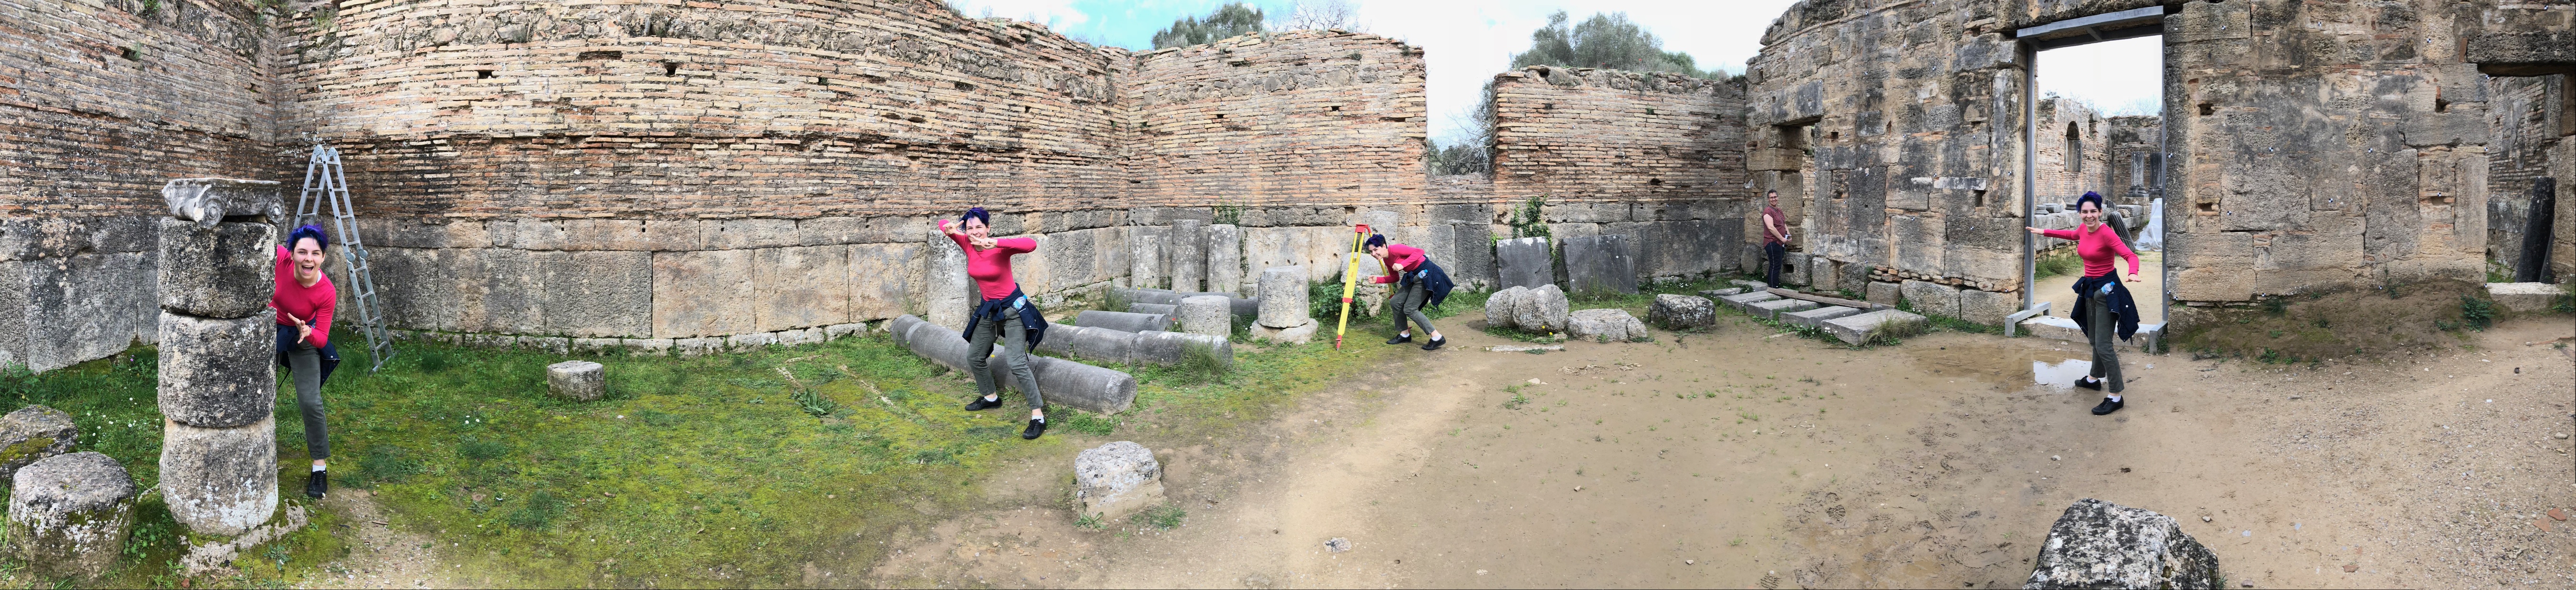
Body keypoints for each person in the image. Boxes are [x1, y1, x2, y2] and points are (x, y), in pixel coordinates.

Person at [938, 208, 1051, 440]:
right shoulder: (968, 244)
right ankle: (991, 397)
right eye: (970, 228)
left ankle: (1038, 415)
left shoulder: (999, 246)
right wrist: (950, 229)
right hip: (989, 310)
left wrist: (996, 242)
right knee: (974, 356)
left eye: (979, 227)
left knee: (1016, 362)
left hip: (1012, 311)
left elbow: (1031, 245)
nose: (975, 232)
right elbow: (943, 224)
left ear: (988, 228)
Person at [2026, 191, 2142, 415]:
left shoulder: (2107, 233)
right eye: (2084, 212)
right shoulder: (2083, 229)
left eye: (2093, 212)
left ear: (2100, 212)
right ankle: (2093, 378)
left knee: (2104, 344)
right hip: (2090, 289)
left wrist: (2133, 273)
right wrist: (2044, 231)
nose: (2089, 216)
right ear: (2080, 214)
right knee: (2093, 338)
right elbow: (2072, 235)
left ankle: (2116, 395)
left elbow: (2131, 256)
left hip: (2108, 291)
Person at [271, 225, 340, 499]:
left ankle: (319, 468)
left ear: (323, 257)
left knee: (311, 401)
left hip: (303, 336)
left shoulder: (326, 292)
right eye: (302, 252)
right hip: (266, 328)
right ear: (292, 254)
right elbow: (258, 233)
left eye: (315, 253)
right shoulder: (280, 258)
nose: (307, 259)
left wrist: (308, 332)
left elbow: (323, 338)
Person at [1364, 234, 1454, 351]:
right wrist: (1378, 280)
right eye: (1371, 252)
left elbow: (1419, 252)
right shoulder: (1387, 260)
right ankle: (1405, 335)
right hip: (1414, 276)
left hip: (1426, 274)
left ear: (1384, 246)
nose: (1373, 254)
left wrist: (1402, 264)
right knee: (1396, 301)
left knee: (1410, 309)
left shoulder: (1395, 249)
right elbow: (1394, 278)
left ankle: (1437, 337)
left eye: (1376, 250)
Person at [1762, 190, 1792, 288]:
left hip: (1780, 242)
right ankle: (1774, 288)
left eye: (1775, 197)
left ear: (1778, 198)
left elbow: (1783, 224)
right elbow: (1771, 228)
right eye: (1771, 198)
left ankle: (1771, 285)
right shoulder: (1768, 212)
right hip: (1772, 242)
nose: (1774, 199)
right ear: (1768, 199)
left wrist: (1788, 234)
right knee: (1776, 266)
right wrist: (1782, 239)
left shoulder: (1779, 211)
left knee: (1776, 265)